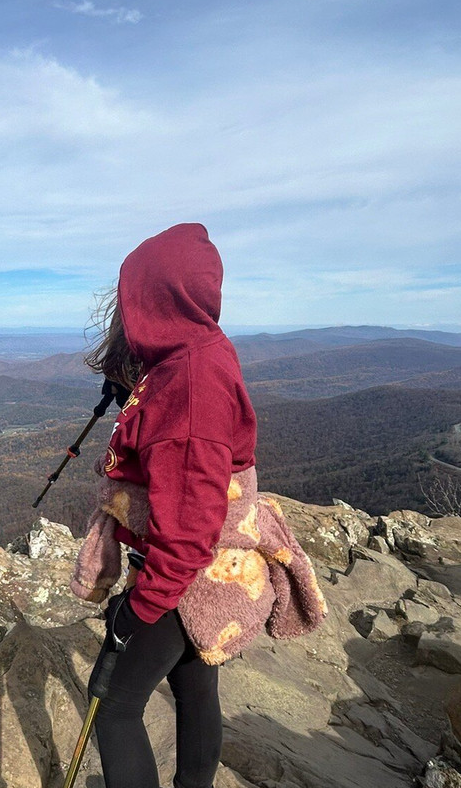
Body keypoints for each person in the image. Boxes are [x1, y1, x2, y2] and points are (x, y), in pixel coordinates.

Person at [70, 223, 327, 788]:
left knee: (113, 704)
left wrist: (138, 609)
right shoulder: (198, 353)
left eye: (132, 297)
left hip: (187, 577)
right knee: (194, 683)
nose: (123, 310)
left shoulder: (188, 386)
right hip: (205, 576)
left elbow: (187, 532)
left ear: (157, 298)